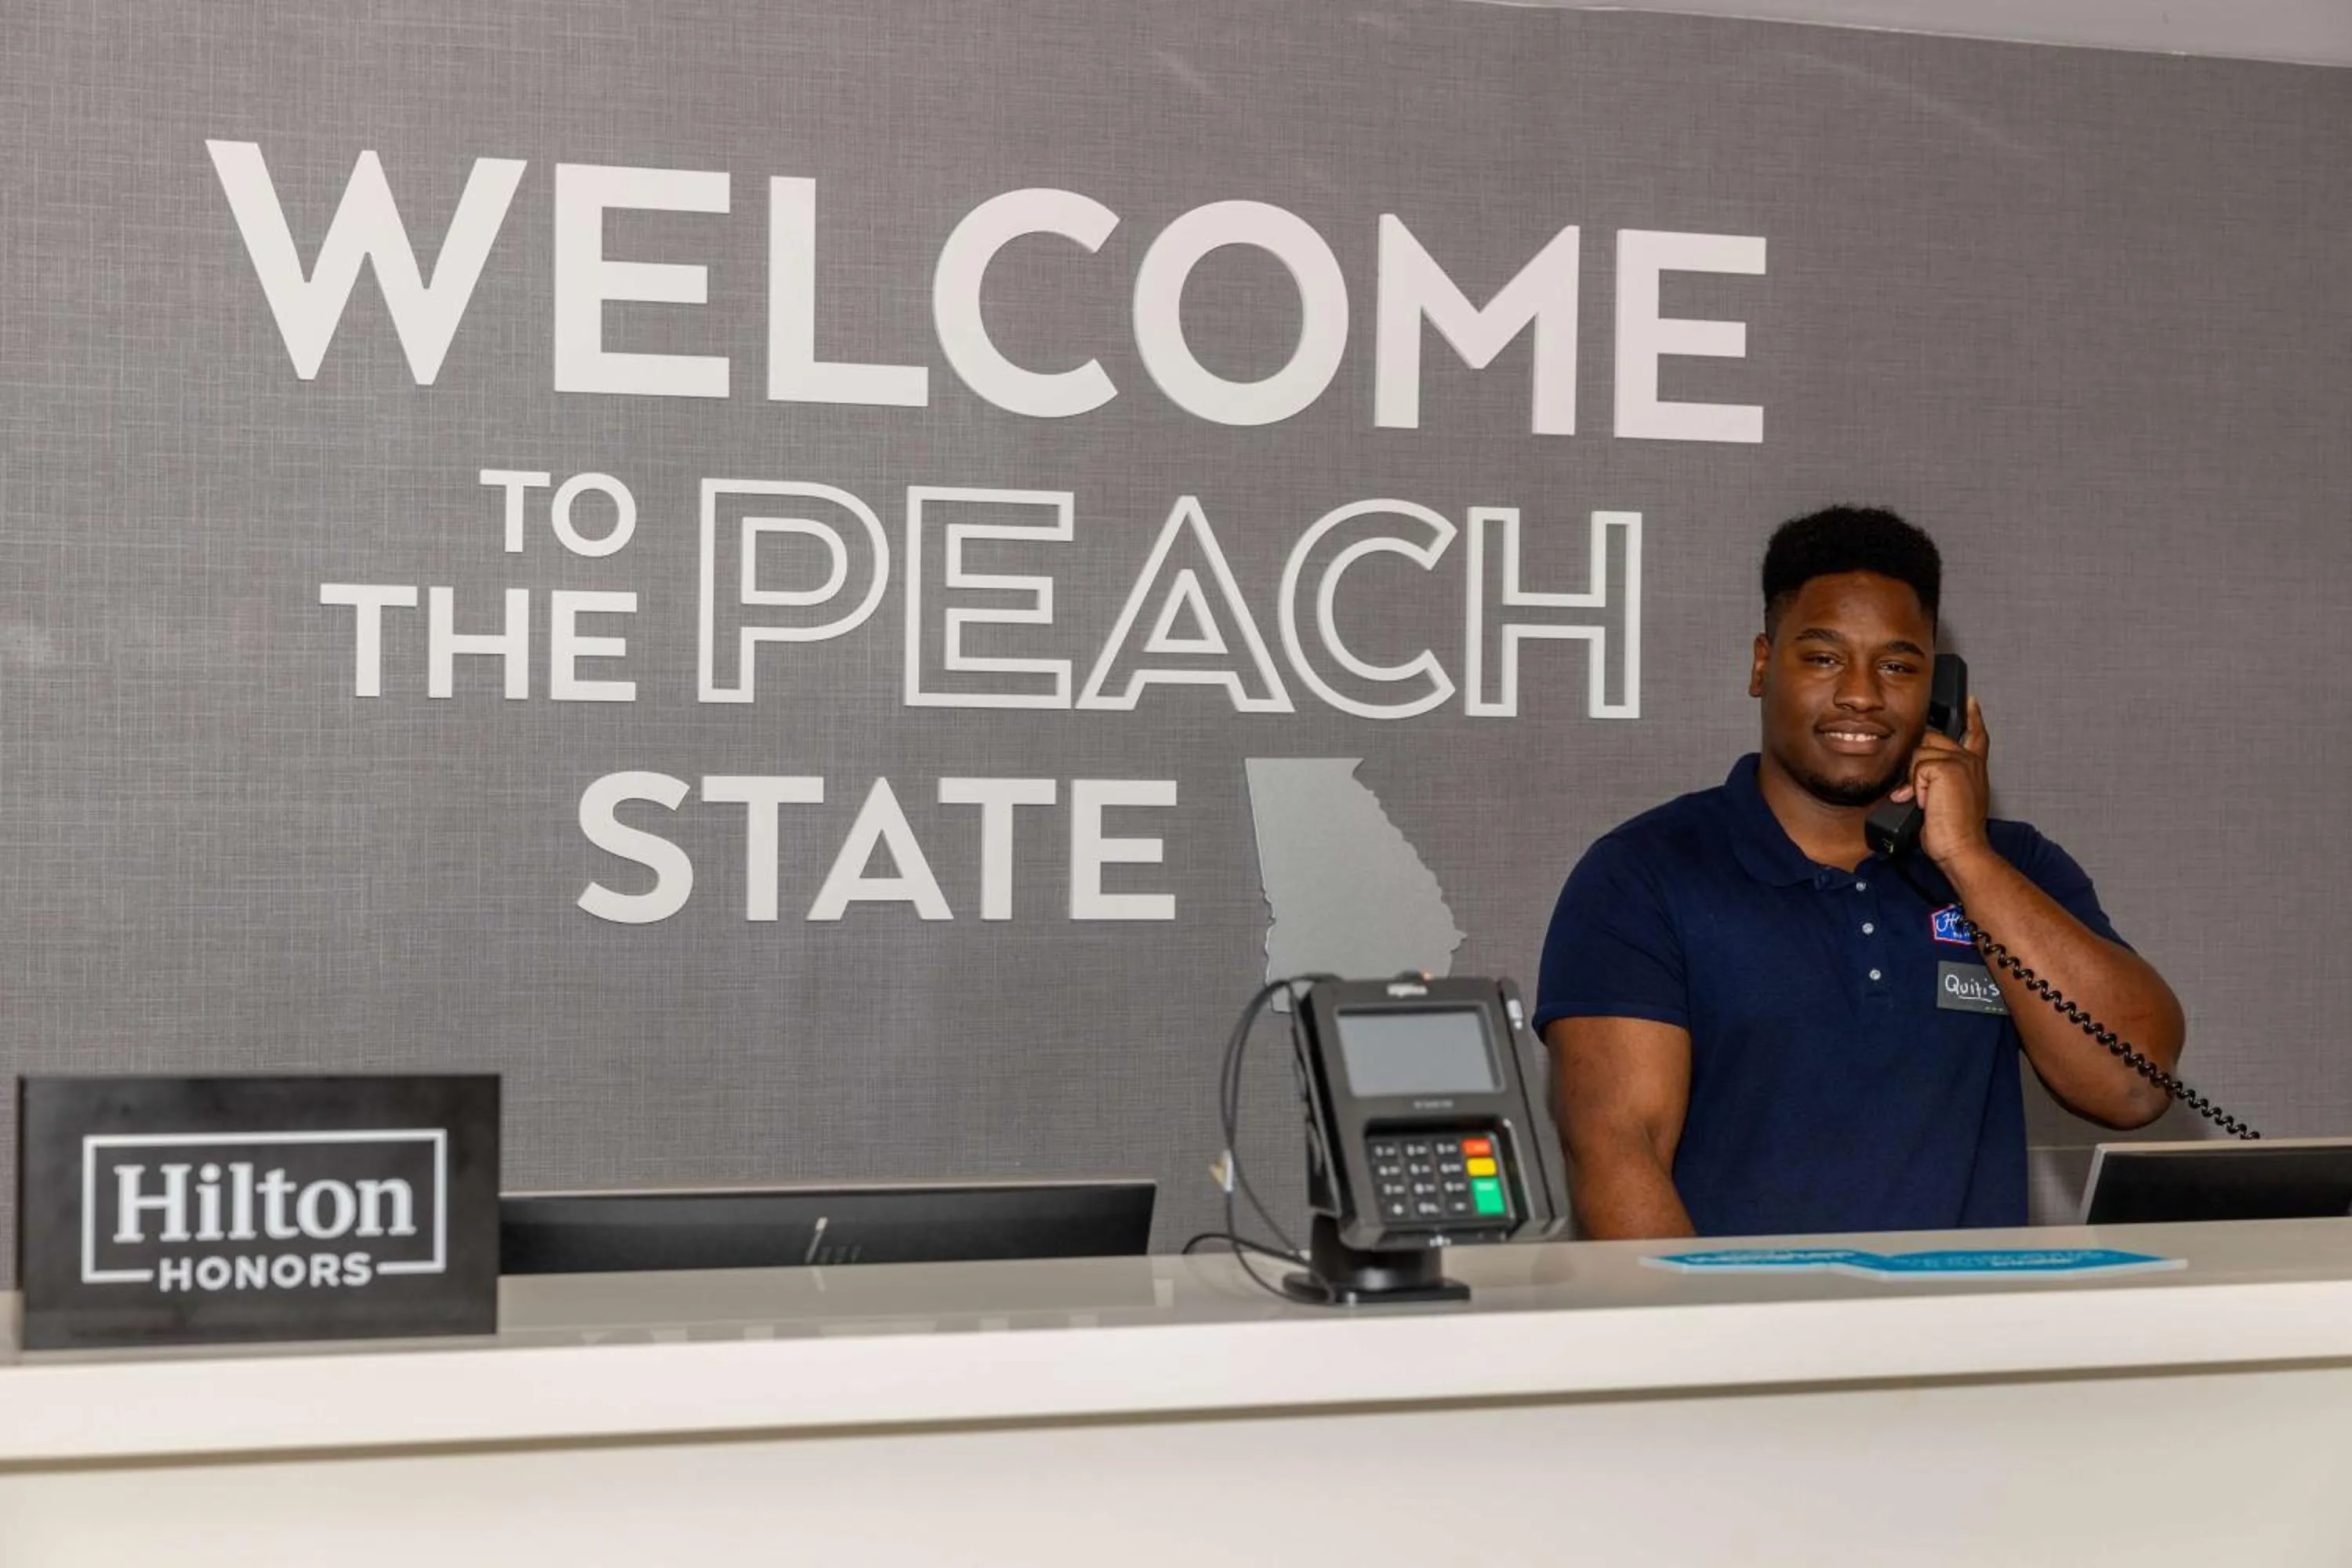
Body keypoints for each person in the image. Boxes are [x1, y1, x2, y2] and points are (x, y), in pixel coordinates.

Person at [1534, 506, 2183, 1239]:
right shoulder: (1643, 875)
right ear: (1761, 664)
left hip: (1971, 1344)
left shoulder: (2013, 868)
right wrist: (1718, 1347)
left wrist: (1966, 859)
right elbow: (1621, 1160)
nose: (1862, 694)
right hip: (1746, 1342)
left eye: (1899, 667)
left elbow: (2132, 1087)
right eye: (1823, 657)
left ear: (1939, 691)